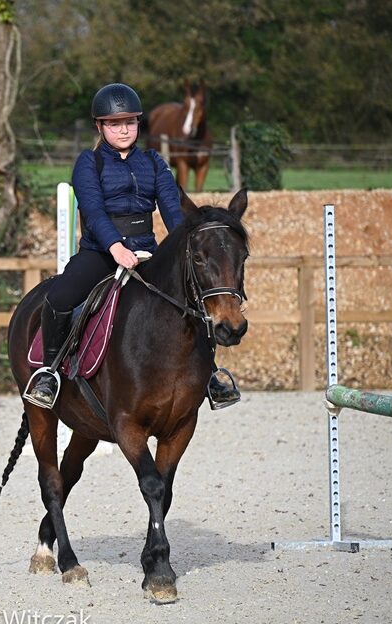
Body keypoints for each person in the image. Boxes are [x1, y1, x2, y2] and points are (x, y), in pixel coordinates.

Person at [23, 83, 240, 409]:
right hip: (100, 252)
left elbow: (172, 208)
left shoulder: (154, 162)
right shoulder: (88, 163)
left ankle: (209, 374)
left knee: (193, 292)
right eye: (114, 123)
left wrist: (184, 245)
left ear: (139, 124)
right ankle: (49, 373)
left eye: (130, 122)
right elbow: (93, 211)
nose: (123, 129)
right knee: (60, 295)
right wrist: (115, 248)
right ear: (100, 126)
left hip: (147, 251)